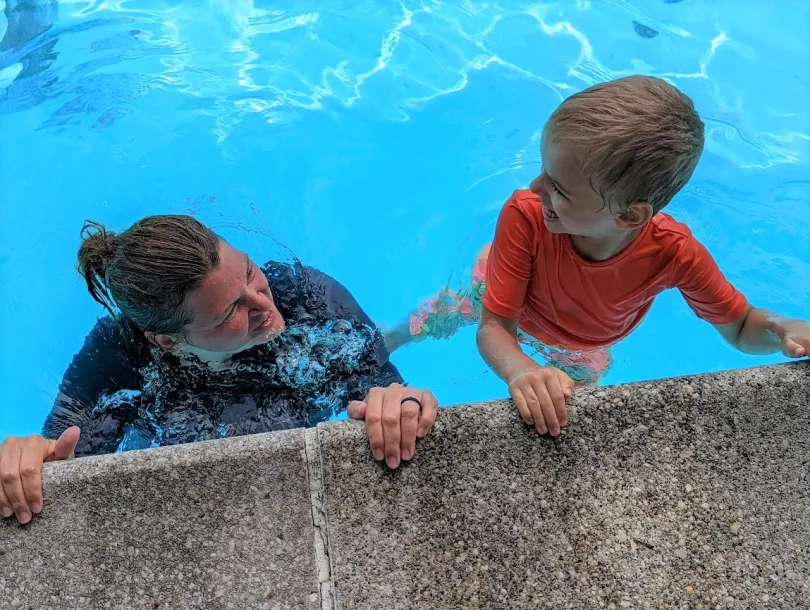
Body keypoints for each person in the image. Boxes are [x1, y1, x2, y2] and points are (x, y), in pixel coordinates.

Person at [387, 75, 810, 436]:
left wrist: (781, 329)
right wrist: (520, 369)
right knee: (439, 315)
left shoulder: (675, 254)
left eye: (559, 188)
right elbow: (495, 327)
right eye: (544, 172)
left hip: (583, 347)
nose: (535, 188)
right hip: (495, 294)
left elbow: (739, 330)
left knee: (575, 419)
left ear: (629, 215)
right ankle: (385, 340)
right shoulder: (527, 216)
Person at [1, 215, 438, 524]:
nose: (265, 303)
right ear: (168, 341)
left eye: (249, 272)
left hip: (300, 372)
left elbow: (379, 381)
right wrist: (28, 456)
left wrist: (396, 400)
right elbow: (58, 447)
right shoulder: (116, 354)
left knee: (370, 340)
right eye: (233, 309)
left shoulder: (305, 294)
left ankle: (416, 324)